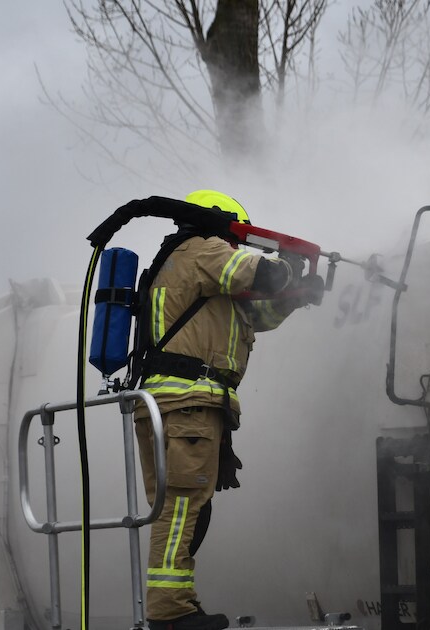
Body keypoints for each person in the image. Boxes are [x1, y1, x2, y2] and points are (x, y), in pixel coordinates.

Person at [133, 189, 315, 630]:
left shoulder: (191, 268)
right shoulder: (203, 250)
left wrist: (297, 294)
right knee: (181, 506)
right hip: (186, 403)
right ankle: (169, 612)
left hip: (180, 404)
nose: (239, 244)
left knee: (189, 507)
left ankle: (178, 604)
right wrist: (290, 264)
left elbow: (256, 316)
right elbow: (258, 271)